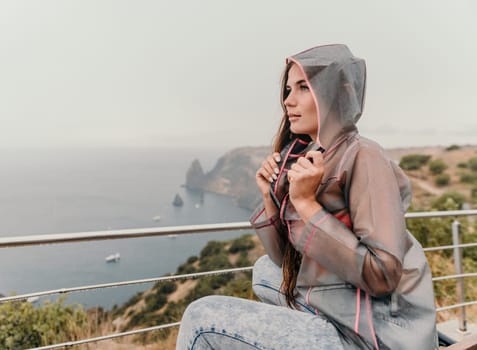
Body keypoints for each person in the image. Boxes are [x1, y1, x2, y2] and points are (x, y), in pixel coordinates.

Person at [176, 44, 438, 350]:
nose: (288, 101)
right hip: (342, 310)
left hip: (377, 335)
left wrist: (305, 204)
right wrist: (270, 198)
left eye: (303, 87)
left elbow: (383, 274)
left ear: (337, 91)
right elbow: (285, 261)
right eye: (288, 89)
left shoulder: (365, 156)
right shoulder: (316, 156)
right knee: (265, 269)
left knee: (200, 318)